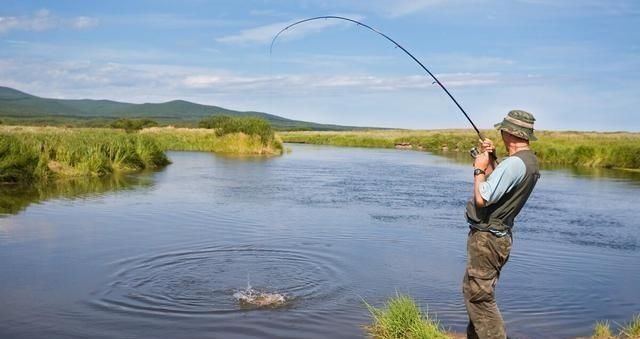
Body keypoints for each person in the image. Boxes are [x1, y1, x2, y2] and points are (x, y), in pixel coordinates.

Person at [462, 110, 540, 339]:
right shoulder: (529, 161)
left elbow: (483, 197)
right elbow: (500, 185)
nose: (501, 133)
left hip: (488, 240)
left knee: (480, 298)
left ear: (509, 132)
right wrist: (492, 158)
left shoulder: (514, 164)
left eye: (502, 130)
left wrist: (478, 167)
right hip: (498, 238)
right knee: (475, 293)